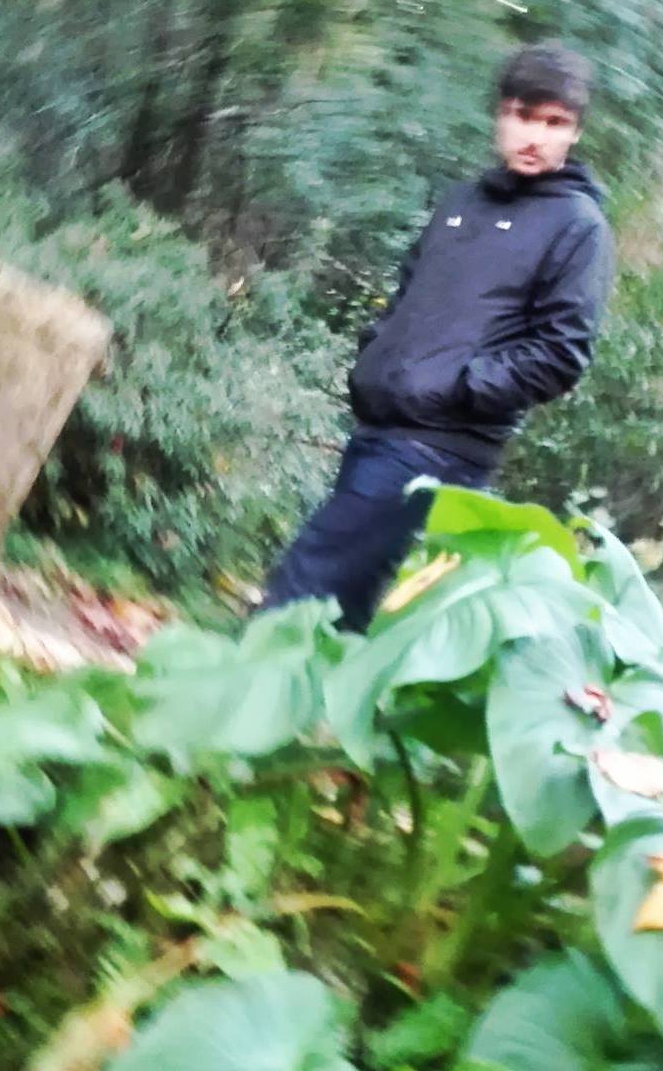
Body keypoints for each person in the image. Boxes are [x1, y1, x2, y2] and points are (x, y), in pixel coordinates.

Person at [262, 40, 615, 629]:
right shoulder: (463, 202)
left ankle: (240, 681)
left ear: (574, 133)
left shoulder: (578, 227)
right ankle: (311, 689)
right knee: (341, 603)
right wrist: (377, 360)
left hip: (441, 445)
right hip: (382, 425)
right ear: (501, 114)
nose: (535, 136)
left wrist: (456, 390)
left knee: (307, 580)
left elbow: (561, 353)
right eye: (524, 116)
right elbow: (409, 292)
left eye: (555, 123)